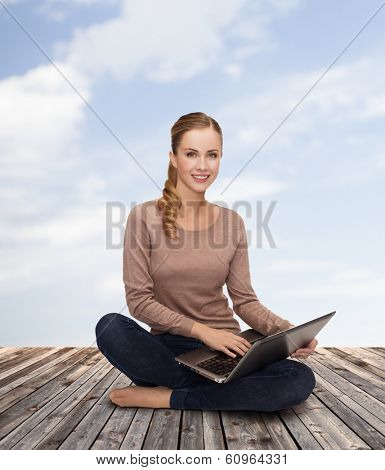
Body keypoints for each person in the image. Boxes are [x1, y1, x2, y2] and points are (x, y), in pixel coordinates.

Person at [95, 112, 318, 411]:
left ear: (220, 158)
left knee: (299, 378)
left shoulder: (232, 222)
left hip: (229, 349)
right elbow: (138, 302)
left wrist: (288, 332)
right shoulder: (144, 218)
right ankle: (217, 392)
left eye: (211, 155)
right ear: (173, 158)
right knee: (110, 327)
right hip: (169, 350)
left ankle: (173, 396)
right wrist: (202, 332)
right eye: (191, 154)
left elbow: (245, 302)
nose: (202, 166)